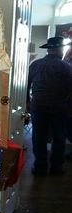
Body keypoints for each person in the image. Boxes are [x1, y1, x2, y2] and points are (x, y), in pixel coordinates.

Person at [27, 36, 72, 176]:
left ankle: (40, 166)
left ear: (48, 49)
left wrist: (27, 102)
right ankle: (56, 167)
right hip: (59, 107)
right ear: (59, 49)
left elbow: (26, 85)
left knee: (38, 136)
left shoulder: (35, 64)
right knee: (59, 137)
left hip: (38, 105)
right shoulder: (67, 67)